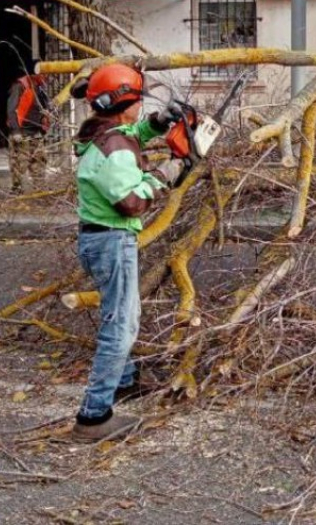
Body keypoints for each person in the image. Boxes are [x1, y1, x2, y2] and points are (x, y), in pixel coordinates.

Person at [72, 63, 183, 442]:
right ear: (123, 101)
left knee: (118, 313)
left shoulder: (102, 132)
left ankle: (125, 380)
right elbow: (131, 203)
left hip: (98, 239)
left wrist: (160, 122)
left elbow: (131, 133)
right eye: (138, 99)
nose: (140, 104)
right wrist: (166, 174)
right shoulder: (114, 149)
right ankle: (93, 416)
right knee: (121, 325)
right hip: (111, 239)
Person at [6, 67, 51, 193]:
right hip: (22, 133)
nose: (46, 78)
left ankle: (40, 189)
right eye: (43, 75)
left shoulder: (40, 89)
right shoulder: (19, 87)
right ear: (34, 74)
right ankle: (16, 189)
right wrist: (16, 131)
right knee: (19, 163)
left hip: (36, 132)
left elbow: (41, 109)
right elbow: (12, 109)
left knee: (39, 162)